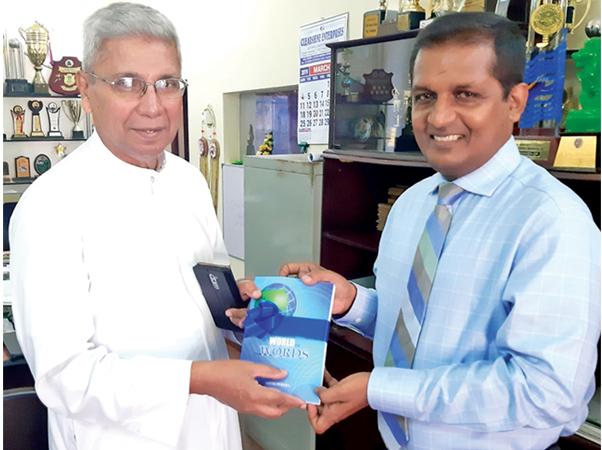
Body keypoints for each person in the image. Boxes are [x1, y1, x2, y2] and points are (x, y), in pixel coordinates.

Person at [279, 12, 600, 450]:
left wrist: (380, 389)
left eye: (466, 94)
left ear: (515, 102)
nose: (440, 117)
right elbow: (417, 328)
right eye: (426, 96)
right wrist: (352, 302)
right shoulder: (412, 204)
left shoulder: (552, 221)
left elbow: (545, 393)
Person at [8, 3, 303, 450]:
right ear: (86, 92)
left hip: (211, 427)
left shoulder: (188, 180)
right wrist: (200, 378)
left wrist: (238, 313)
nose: (152, 106)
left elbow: (206, 304)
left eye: (166, 84)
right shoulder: (50, 206)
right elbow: (65, 377)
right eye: (127, 84)